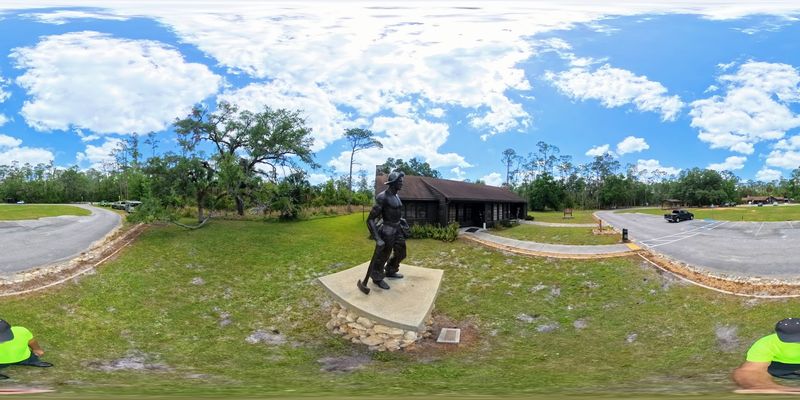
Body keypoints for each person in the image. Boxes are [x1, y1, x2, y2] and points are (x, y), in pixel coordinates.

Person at [365, 170, 409, 290]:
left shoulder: (397, 196)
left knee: (402, 253)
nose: (402, 183)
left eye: (402, 181)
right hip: (387, 230)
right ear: (393, 182)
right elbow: (370, 219)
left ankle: (391, 270)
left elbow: (395, 212)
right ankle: (377, 278)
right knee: (383, 256)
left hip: (397, 228)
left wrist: (401, 220)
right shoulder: (382, 197)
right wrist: (377, 238)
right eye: (400, 181)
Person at [734, 318, 800, 393]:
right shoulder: (766, 343)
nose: (794, 341)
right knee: (747, 371)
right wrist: (761, 386)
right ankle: (762, 386)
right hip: (778, 368)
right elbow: (751, 370)